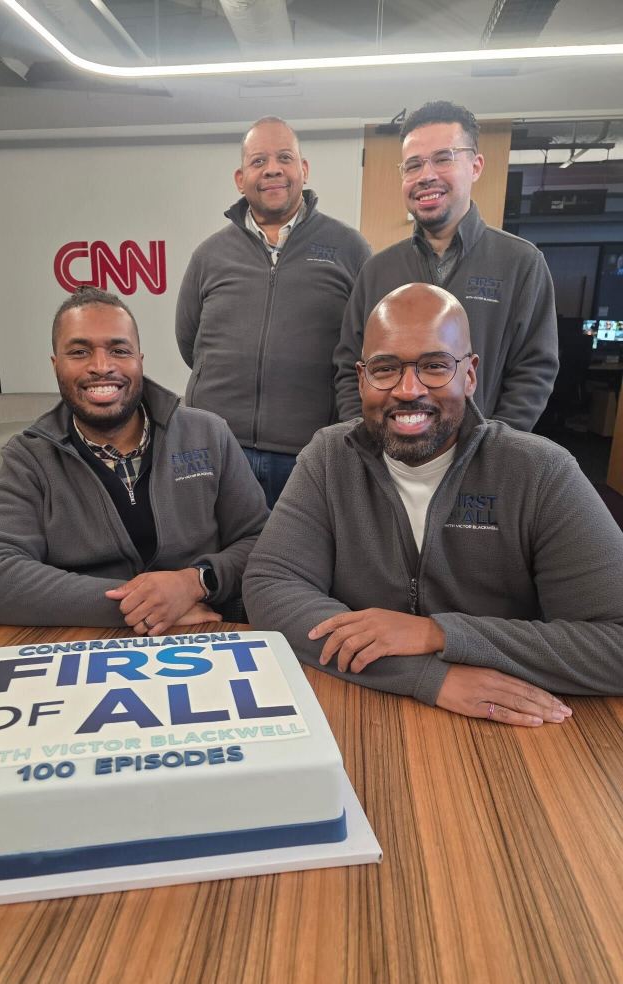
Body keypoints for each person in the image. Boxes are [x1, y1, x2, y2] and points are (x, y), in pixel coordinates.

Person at [244, 283, 623, 726]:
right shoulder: (329, 458)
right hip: (363, 708)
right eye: (386, 368)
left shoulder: (541, 472)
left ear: (470, 374)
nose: (408, 389)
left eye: (435, 366)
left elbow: (614, 644)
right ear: (362, 377)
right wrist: (427, 675)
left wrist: (439, 633)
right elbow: (271, 586)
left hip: (509, 724)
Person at [0, 287, 269, 632]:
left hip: (203, 627)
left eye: (118, 350)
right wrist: (139, 606)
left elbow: (261, 541)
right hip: (85, 640)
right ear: (56, 365)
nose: (101, 366)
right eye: (79, 352)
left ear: (139, 358)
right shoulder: (30, 457)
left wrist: (193, 582)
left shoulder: (209, 434)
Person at [176, 115, 372, 508]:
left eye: (284, 157)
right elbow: (189, 341)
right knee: (224, 560)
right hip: (219, 449)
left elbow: (365, 347)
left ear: (303, 169)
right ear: (240, 177)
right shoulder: (210, 255)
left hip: (309, 453)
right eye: (258, 161)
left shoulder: (349, 247)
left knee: (301, 562)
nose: (272, 169)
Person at [337, 101, 558, 432]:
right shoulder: (377, 271)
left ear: (476, 166)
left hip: (479, 461)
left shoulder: (521, 264)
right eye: (413, 165)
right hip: (391, 458)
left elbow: (533, 370)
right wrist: (367, 441)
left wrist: (494, 449)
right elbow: (348, 366)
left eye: (443, 159)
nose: (426, 176)